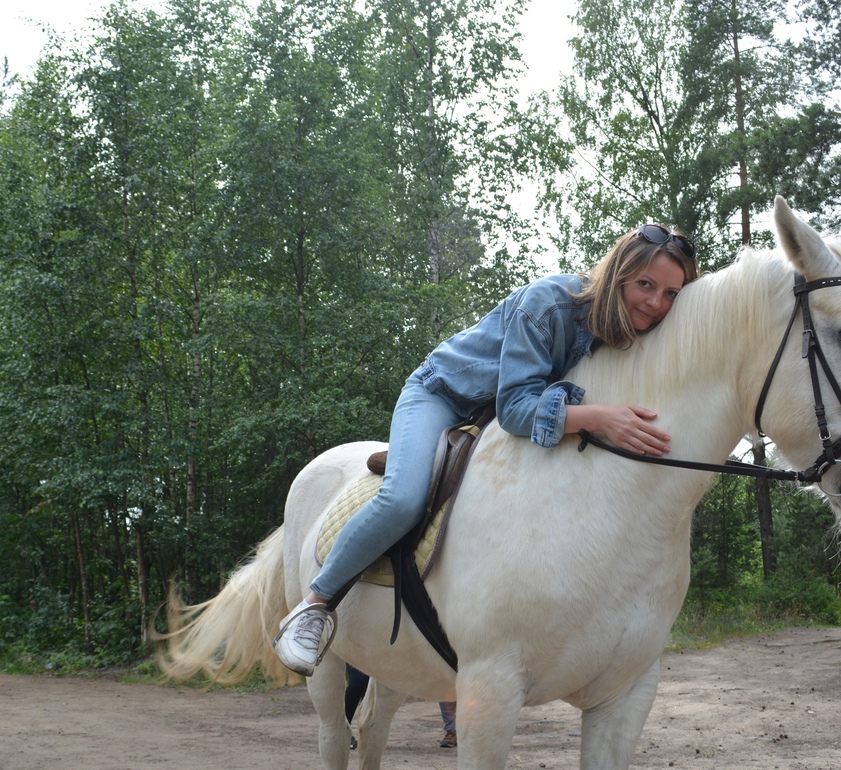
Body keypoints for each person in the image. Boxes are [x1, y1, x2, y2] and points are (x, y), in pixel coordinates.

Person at [273, 224, 700, 676]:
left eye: (671, 294)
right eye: (645, 285)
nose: (656, 304)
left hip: (493, 418)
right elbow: (515, 408)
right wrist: (600, 417)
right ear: (618, 274)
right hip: (445, 395)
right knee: (403, 499)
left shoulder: (635, 331)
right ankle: (314, 607)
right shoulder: (550, 303)